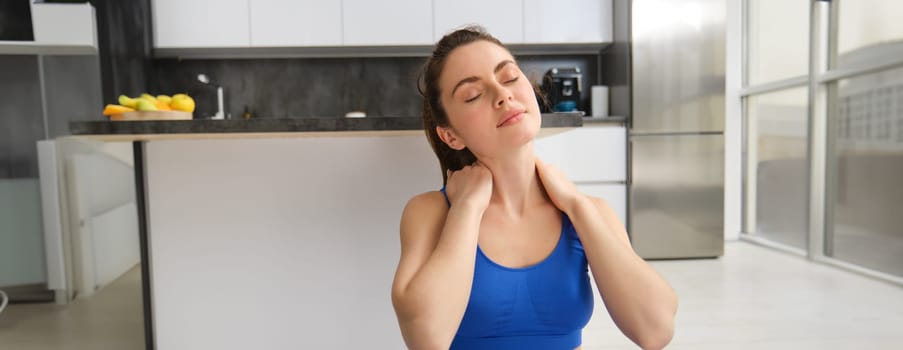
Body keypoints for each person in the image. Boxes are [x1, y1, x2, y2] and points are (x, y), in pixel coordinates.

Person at [390, 26, 677, 350]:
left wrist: (577, 206)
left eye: (510, 77)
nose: (503, 94)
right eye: (473, 95)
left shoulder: (588, 211)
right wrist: (468, 208)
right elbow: (425, 338)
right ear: (451, 135)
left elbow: (656, 330)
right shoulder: (431, 213)